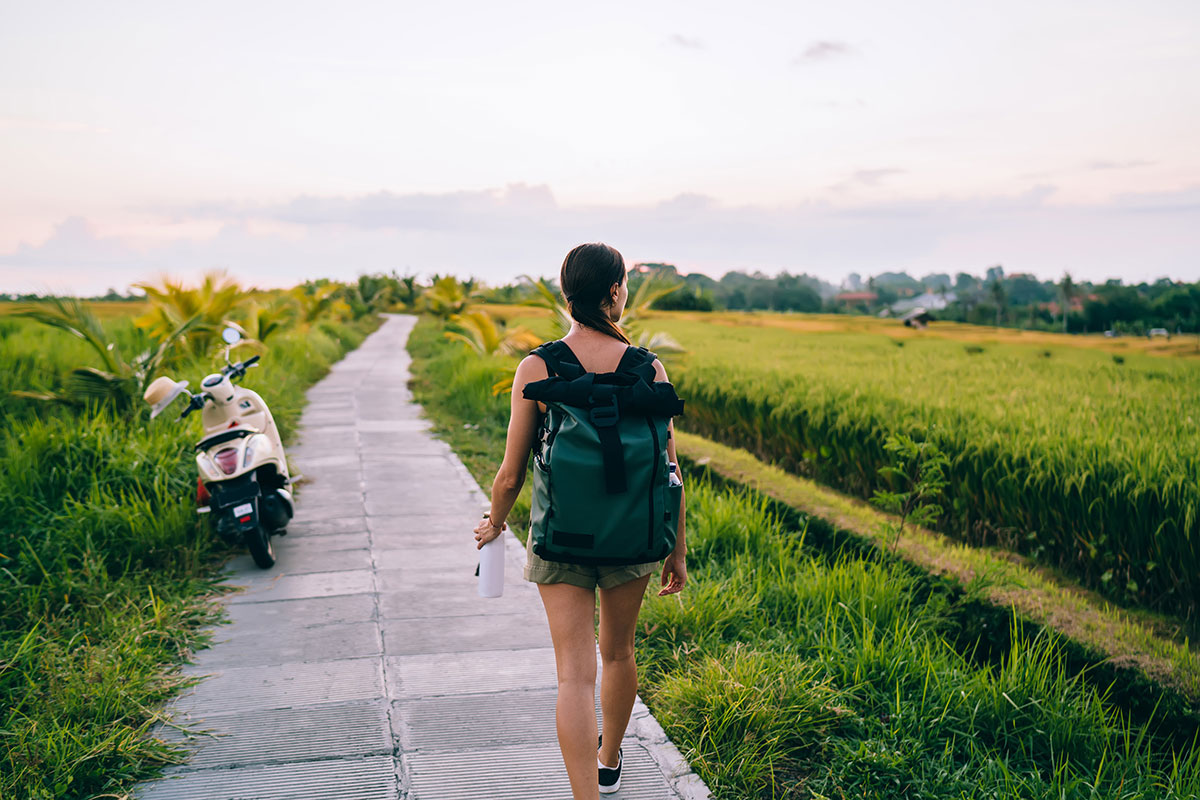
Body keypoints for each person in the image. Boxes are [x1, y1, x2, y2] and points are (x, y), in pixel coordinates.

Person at [473, 242, 687, 799]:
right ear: (616, 291)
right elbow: (669, 470)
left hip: (561, 537)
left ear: (567, 294)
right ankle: (610, 759)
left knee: (573, 672)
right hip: (635, 536)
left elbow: (510, 473)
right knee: (618, 651)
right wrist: (676, 549)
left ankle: (585, 795)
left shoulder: (538, 366)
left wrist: (496, 523)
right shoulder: (648, 367)